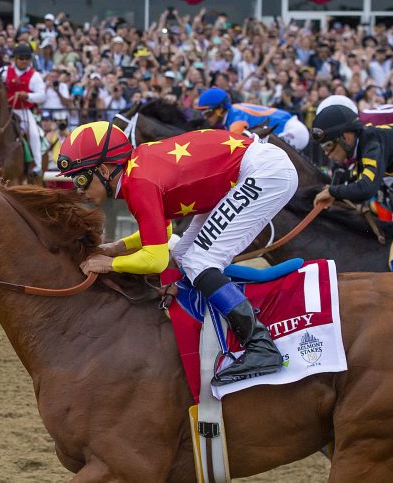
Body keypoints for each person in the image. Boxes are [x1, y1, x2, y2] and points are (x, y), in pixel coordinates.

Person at [58, 121, 297, 385]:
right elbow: (165, 231)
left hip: (263, 172)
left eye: (80, 178)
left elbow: (155, 258)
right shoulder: (136, 171)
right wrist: (119, 247)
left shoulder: (139, 182)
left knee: (200, 260)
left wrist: (110, 264)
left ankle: (260, 345)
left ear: (104, 169)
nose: (78, 188)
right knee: (184, 254)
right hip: (248, 170)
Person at [0, 43, 45, 174]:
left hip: (22, 111)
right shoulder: (4, 72)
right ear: (15, 59)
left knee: (34, 133)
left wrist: (27, 96)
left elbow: (41, 96)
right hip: (2, 110)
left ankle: (37, 166)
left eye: (27, 58)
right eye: (21, 58)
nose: (25, 61)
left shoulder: (35, 76)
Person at [311, 105, 393, 219]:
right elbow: (356, 179)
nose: (326, 154)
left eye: (328, 146)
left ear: (346, 138)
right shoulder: (365, 141)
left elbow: (366, 188)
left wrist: (333, 192)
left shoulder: (372, 145)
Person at [195, 87, 309, 150]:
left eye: (208, 113)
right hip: (291, 128)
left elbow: (234, 149)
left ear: (220, 108)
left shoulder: (235, 119)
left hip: (293, 132)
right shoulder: (233, 113)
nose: (205, 118)